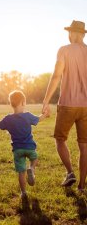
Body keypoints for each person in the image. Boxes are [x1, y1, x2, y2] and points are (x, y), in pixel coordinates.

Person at [42, 20, 87, 193]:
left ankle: (70, 172)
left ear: (71, 33)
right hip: (86, 107)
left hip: (67, 104)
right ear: (82, 34)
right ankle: (82, 186)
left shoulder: (64, 50)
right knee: (84, 146)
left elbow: (56, 76)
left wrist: (46, 101)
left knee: (60, 139)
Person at [0, 90, 47, 197]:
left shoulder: (8, 119)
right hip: (29, 147)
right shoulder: (28, 116)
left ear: (11, 104)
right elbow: (39, 119)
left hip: (17, 150)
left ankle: (23, 192)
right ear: (23, 103)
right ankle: (32, 168)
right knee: (34, 158)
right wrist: (45, 114)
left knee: (21, 172)